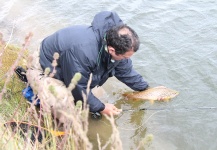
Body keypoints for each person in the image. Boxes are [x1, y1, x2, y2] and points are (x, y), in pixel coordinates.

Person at [39, 11, 149, 116]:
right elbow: (77, 87)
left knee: (101, 98)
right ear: (111, 50)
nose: (126, 59)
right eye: (125, 57)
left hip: (71, 66)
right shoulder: (83, 52)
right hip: (49, 63)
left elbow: (126, 72)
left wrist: (146, 90)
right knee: (68, 111)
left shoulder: (113, 41)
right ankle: (35, 80)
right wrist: (102, 108)